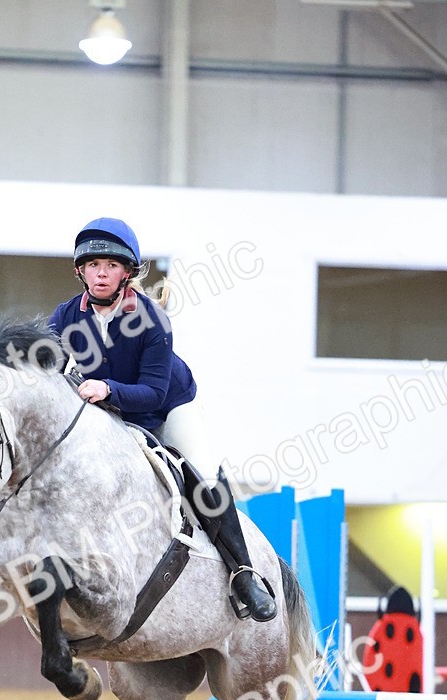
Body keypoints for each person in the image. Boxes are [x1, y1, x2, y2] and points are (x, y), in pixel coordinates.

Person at [48, 217, 277, 623]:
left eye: (111, 266)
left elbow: (152, 392)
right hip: (106, 416)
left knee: (203, 473)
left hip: (165, 407)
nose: (101, 273)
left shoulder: (151, 319)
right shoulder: (64, 317)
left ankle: (244, 572)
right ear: (80, 270)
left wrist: (106, 389)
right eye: (94, 265)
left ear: (127, 273)